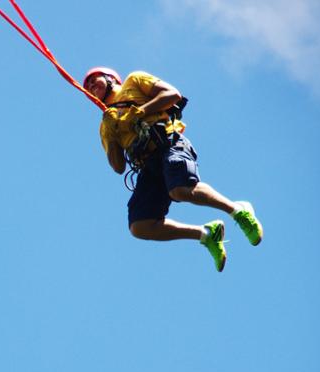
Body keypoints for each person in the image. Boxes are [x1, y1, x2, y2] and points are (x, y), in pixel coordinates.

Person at [83, 67, 263, 271]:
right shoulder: (107, 122)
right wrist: (112, 130)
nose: (90, 86)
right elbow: (118, 166)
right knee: (140, 225)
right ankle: (206, 234)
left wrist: (140, 112)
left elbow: (172, 95)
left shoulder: (134, 81)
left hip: (168, 144)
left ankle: (238, 210)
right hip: (147, 164)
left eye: (92, 80)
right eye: (87, 86)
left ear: (109, 78)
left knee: (181, 189)